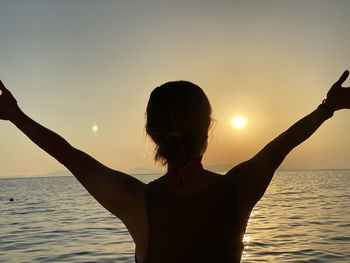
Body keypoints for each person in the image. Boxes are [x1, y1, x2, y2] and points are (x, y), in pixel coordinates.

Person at [0, 70, 349, 263]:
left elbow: (66, 153)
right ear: (208, 129)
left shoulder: (134, 199)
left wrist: (14, 115)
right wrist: (327, 108)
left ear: (152, 134)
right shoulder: (239, 187)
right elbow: (284, 142)